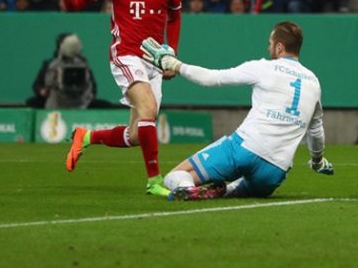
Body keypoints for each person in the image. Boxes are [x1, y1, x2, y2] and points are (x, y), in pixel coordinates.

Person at [55, 0, 182, 197]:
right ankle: (154, 182)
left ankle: (86, 136)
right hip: (126, 55)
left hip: (154, 61)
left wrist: (170, 53)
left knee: (136, 135)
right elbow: (74, 4)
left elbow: (174, 17)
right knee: (148, 109)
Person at [140, 21, 334, 201]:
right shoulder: (314, 82)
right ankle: (224, 190)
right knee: (235, 189)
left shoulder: (263, 67)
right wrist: (317, 161)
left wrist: (174, 64)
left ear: (279, 47)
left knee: (175, 176)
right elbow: (316, 130)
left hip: (244, 149)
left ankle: (188, 189)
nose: (268, 48)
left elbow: (211, 78)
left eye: (270, 44)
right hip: (275, 170)